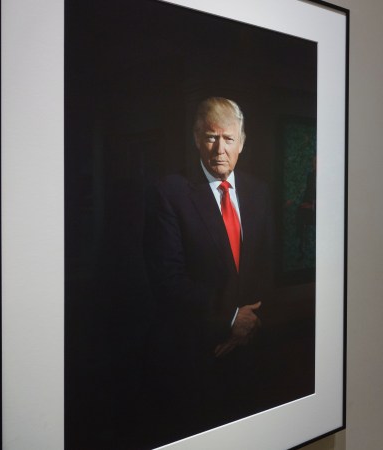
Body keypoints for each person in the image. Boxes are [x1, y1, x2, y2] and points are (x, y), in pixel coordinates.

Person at [142, 97, 275, 445]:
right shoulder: (170, 192)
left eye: (228, 138)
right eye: (211, 137)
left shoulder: (259, 192)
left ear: (242, 142)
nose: (219, 149)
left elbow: (266, 268)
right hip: (195, 356)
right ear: (196, 138)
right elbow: (167, 281)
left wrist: (250, 324)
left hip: (250, 354)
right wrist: (230, 319)